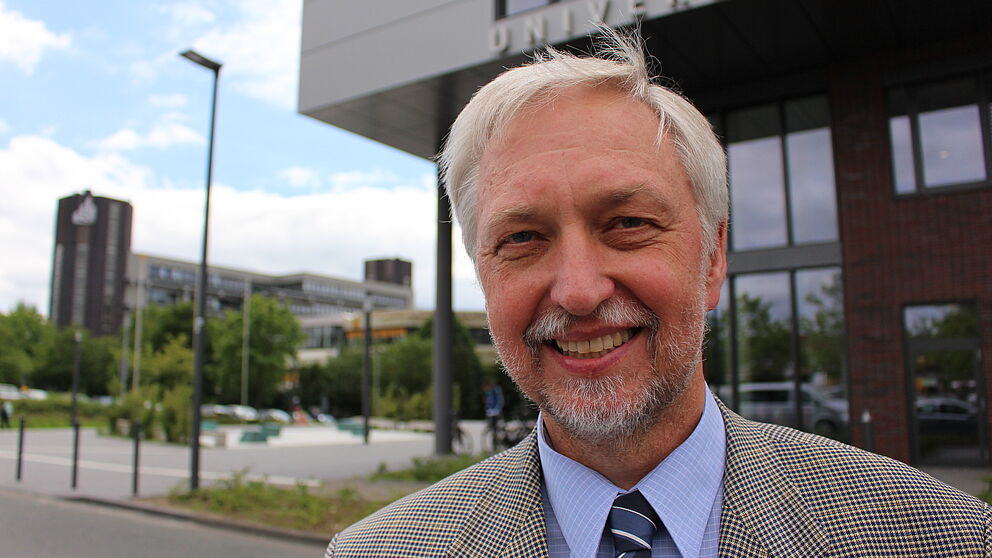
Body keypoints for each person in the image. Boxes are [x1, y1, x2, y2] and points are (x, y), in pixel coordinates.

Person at [326, 30, 991, 557]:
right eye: (523, 238)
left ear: (713, 259)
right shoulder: (376, 551)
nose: (580, 292)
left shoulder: (947, 539)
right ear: (483, 271)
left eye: (628, 225)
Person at [483, 381, 505, 450]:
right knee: (492, 428)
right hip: (491, 412)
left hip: (496, 412)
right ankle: (494, 443)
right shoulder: (489, 391)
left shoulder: (495, 390)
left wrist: (497, 409)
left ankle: (496, 443)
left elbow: (500, 400)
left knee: (495, 428)